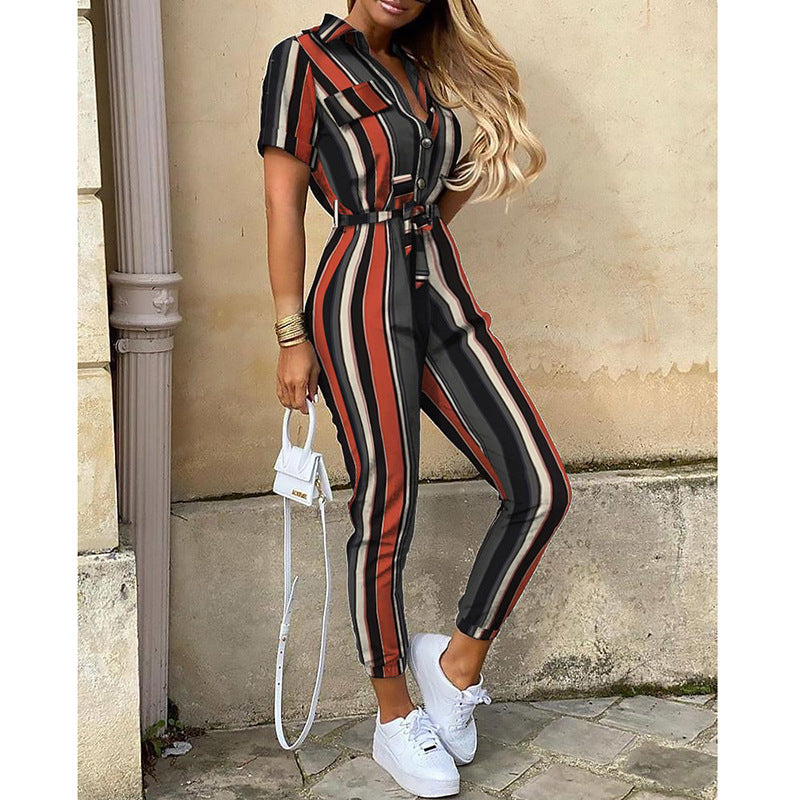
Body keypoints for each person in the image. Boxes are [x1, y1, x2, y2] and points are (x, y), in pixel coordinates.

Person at [258, 2, 572, 796]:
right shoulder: (303, 62)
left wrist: (422, 214)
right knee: (386, 505)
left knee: (539, 487)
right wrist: (292, 335)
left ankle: (455, 666)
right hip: (358, 297)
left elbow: (445, 185)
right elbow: (282, 205)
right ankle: (395, 716)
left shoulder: (425, 74)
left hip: (440, 290)